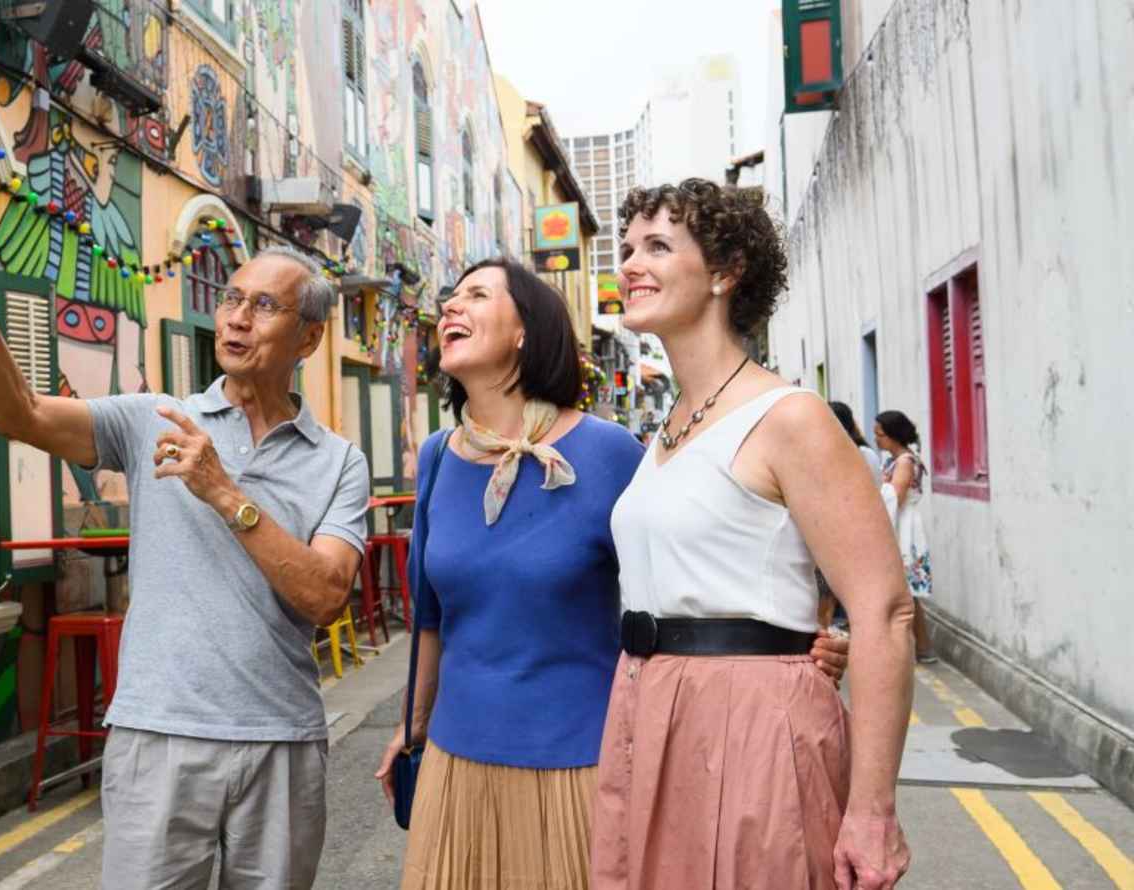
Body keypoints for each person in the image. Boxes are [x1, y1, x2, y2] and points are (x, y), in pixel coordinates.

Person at [0, 173, 369, 889]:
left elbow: (326, 597)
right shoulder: (153, 418)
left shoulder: (340, 462)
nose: (236, 318)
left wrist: (226, 495)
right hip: (159, 736)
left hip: (281, 742)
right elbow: (20, 416)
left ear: (309, 338)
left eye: (263, 306)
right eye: (230, 299)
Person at [372, 257, 848, 889]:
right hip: (455, 763)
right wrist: (414, 722)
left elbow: (694, 576)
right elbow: (430, 616)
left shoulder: (609, 453)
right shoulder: (436, 457)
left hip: (584, 765)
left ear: (525, 332)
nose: (451, 308)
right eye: (450, 299)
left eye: (477, 296)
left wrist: (795, 643)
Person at [594, 179, 914, 890]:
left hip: (753, 722)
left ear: (724, 271)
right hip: (650, 709)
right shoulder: (667, 430)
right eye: (625, 250)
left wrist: (872, 810)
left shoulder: (790, 416)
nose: (629, 265)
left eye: (656, 246)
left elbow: (885, 611)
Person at [874, 410, 936, 664]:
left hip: (904, 529)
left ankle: (917, 646)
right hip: (901, 525)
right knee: (907, 592)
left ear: (893, 436)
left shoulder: (905, 462)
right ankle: (921, 647)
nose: (876, 439)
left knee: (905, 591)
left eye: (880, 434)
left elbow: (895, 497)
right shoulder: (896, 460)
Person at [818, 401, 884, 627]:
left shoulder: (836, 453)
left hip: (841, 527)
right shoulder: (868, 454)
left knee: (833, 586)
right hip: (863, 527)